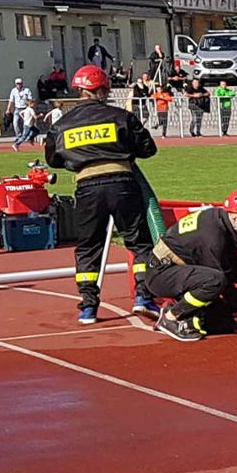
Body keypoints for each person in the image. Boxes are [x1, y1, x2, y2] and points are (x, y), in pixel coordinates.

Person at [43, 65, 160, 324]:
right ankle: (143, 297)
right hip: (123, 184)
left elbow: (53, 159)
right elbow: (148, 149)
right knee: (139, 243)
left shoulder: (61, 125)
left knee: (88, 247)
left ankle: (88, 306)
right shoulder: (121, 116)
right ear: (103, 89)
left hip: (86, 188)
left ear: (80, 90)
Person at [144, 190, 237, 342]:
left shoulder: (220, 222)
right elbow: (223, 281)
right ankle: (171, 317)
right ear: (236, 218)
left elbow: (231, 265)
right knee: (215, 281)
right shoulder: (214, 238)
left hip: (177, 270)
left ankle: (189, 315)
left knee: (223, 322)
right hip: (162, 273)